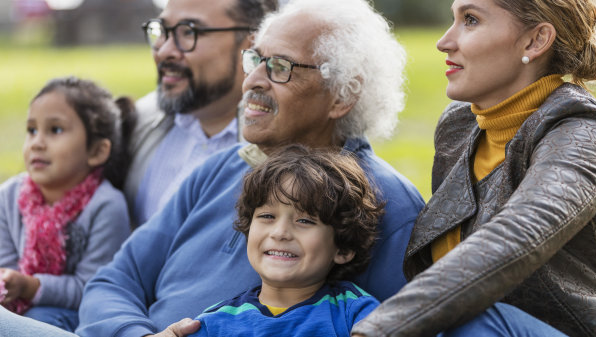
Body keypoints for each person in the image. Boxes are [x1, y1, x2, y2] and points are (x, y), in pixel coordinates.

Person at [76, 0, 424, 336]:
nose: (253, 81)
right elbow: (113, 283)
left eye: (280, 67)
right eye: (255, 60)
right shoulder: (219, 169)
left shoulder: (385, 203)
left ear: (342, 95)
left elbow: (404, 327)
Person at [352, 0, 596, 336]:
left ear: (535, 41)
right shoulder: (459, 125)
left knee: (474, 319)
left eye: (471, 20)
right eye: (453, 19)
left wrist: (379, 329)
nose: (444, 41)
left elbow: (517, 236)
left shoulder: (583, 135)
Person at [192, 144, 382, 336]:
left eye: (305, 220)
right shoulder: (213, 323)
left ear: (343, 249)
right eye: (267, 216)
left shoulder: (356, 313)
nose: (280, 232)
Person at [124, 0, 278, 225]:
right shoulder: (138, 122)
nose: (164, 51)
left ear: (253, 43)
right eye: (163, 31)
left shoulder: (277, 153)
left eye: (189, 31)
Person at [0, 76, 132, 332]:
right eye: (32, 130)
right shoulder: (8, 196)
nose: (37, 142)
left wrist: (30, 286)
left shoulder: (105, 206)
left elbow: (96, 288)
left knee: (40, 317)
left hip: (75, 316)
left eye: (55, 130)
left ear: (97, 152)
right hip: (16, 311)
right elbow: (4, 265)